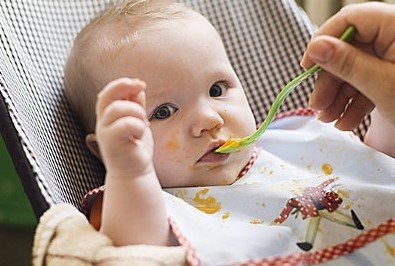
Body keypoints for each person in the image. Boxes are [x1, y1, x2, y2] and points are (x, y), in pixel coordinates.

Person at [64, 1, 395, 264]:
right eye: (163, 112)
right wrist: (129, 171)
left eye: (217, 89)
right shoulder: (145, 200)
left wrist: (388, 112)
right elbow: (134, 250)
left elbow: (378, 169)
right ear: (106, 149)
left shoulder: (294, 143)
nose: (210, 119)